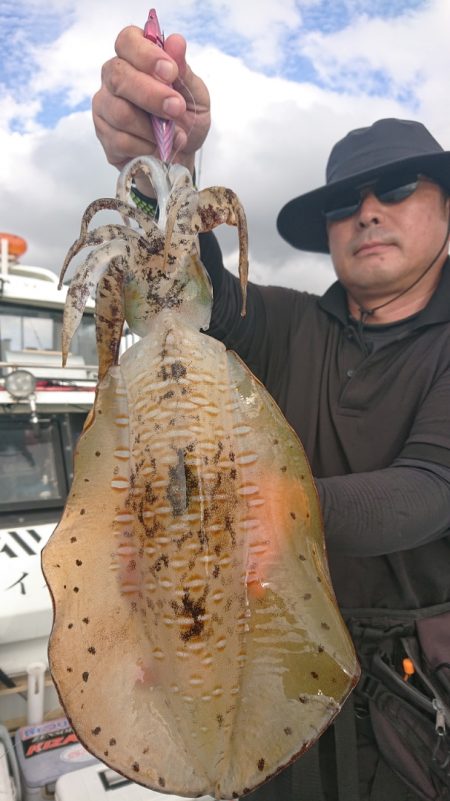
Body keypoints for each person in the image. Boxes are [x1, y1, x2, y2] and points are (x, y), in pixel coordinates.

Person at [92, 25, 450, 801]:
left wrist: (242, 507)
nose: (367, 212)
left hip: (415, 725)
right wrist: (165, 170)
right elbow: (193, 294)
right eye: (343, 204)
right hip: (257, 683)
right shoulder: (286, 322)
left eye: (396, 189)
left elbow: (430, 488)